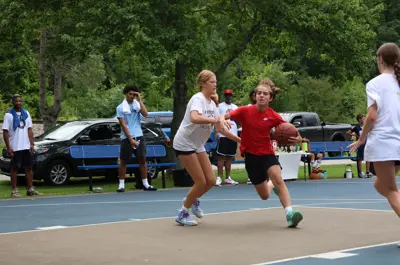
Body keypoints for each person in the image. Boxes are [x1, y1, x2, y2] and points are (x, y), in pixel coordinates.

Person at [220, 79, 304, 228]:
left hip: (267, 154)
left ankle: (290, 213)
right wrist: (222, 120)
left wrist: (298, 138)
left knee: (278, 178)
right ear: (255, 96)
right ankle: (272, 185)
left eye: (265, 94)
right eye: (259, 93)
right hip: (251, 157)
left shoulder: (273, 116)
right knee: (264, 195)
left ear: (270, 98)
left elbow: (289, 129)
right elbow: (224, 116)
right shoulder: (245, 111)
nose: (261, 96)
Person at [173, 70, 241, 226]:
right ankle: (182, 213)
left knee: (210, 181)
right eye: (212, 82)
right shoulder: (197, 99)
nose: (215, 84)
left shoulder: (212, 104)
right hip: (184, 143)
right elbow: (195, 117)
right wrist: (215, 119)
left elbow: (222, 129)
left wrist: (239, 140)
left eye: (216, 82)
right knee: (200, 181)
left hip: (197, 145)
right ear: (203, 83)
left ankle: (193, 199)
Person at [349, 43, 400, 225]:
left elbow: (372, 116)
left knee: (391, 189)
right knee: (380, 185)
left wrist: (362, 139)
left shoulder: (375, 84)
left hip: (385, 142)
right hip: (397, 141)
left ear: (380, 59)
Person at [116, 85, 157, 192]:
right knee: (124, 161)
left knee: (142, 160)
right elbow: (124, 125)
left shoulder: (137, 105)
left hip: (139, 135)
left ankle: (146, 184)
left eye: (134, 94)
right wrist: (131, 139)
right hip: (127, 138)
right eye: (130, 94)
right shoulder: (120, 108)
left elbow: (145, 113)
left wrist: (139, 99)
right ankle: (121, 185)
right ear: (126, 94)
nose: (131, 96)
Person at [2, 94, 42, 198]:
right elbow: (5, 132)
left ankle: (30, 189)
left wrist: (31, 143)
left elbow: (29, 129)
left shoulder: (26, 113)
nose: (19, 103)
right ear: (13, 102)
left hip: (26, 146)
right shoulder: (9, 115)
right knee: (14, 168)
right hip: (15, 146)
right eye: (16, 101)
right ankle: (14, 190)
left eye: (20, 101)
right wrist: (8, 147)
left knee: (29, 168)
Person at [215, 89, 239, 186]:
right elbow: (217, 119)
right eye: (226, 95)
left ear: (232, 96)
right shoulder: (220, 106)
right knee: (221, 157)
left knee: (229, 157)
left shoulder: (235, 107)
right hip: (223, 134)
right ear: (224, 96)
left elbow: (238, 120)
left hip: (233, 134)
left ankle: (228, 177)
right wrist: (217, 131)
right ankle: (219, 177)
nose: (228, 97)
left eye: (230, 95)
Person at [346, 114, 373, 178]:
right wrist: (356, 135)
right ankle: (360, 173)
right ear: (360, 119)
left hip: (367, 143)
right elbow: (348, 132)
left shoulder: (367, 125)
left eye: (364, 118)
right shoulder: (356, 127)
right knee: (360, 158)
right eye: (363, 118)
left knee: (368, 157)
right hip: (360, 144)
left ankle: (367, 172)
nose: (364, 119)